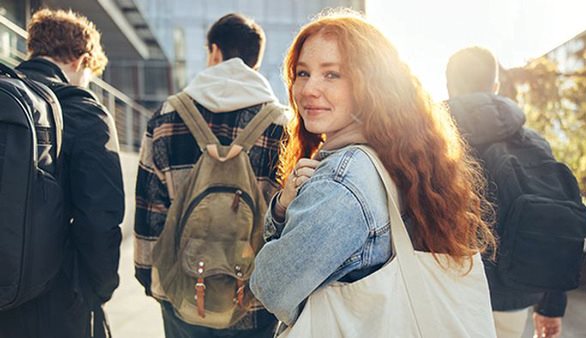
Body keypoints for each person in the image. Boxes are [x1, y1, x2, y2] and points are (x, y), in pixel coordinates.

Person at [249, 10, 496, 333]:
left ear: (371, 84)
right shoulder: (400, 157)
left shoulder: (343, 181)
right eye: (302, 73)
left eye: (332, 74)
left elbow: (272, 286)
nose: (308, 89)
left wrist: (281, 209)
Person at [134, 13, 286, 338]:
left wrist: (150, 279)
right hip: (253, 299)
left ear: (214, 52)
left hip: (183, 292)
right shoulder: (280, 124)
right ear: (254, 62)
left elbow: (150, 211)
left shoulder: (167, 116)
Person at [0, 9, 125, 338]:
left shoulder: (6, 99)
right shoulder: (83, 110)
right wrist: (95, 293)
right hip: (56, 301)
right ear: (84, 61)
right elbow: (101, 217)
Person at [446, 46, 566, 338]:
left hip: (447, 292)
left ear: (449, 86)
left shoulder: (430, 141)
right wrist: (551, 305)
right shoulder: (533, 142)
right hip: (513, 295)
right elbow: (554, 222)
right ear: (495, 87)